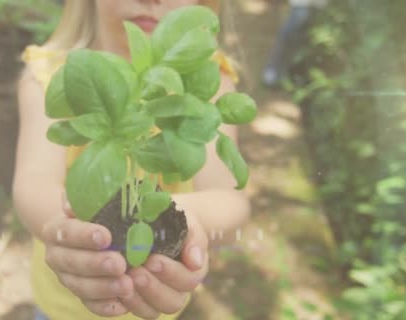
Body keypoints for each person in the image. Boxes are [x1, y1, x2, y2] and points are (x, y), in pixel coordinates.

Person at [13, 1, 251, 319]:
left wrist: (182, 218)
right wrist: (75, 231)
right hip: (63, 306)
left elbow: (232, 201)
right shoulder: (54, 76)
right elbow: (33, 185)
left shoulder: (207, 85)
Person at [262, 0, 328, 87]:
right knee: (289, 35)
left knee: (303, 40)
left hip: (316, 5)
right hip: (303, 4)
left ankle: (290, 75)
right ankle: (273, 73)